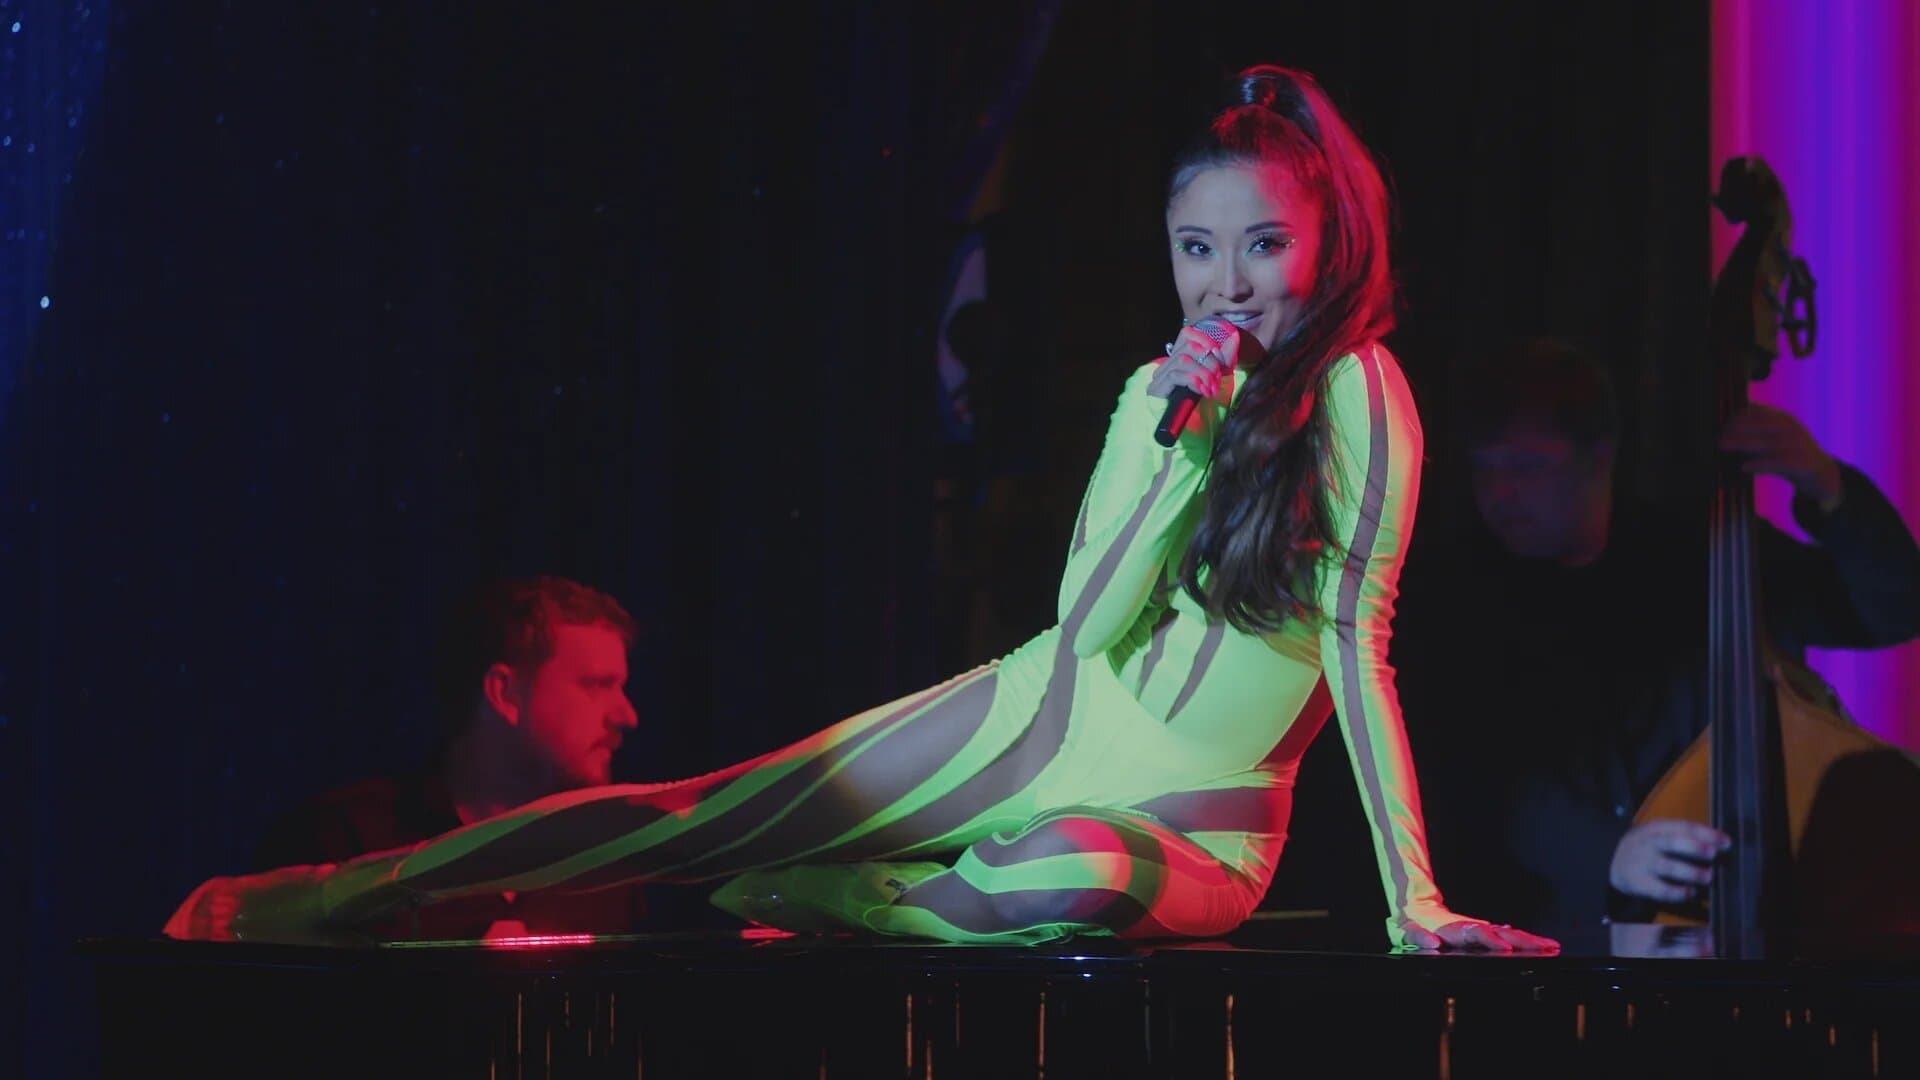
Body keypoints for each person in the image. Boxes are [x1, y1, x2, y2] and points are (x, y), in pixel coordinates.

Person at [165, 65, 1554, 954]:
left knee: (1070, 879)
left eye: (1262, 244)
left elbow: (1357, 649)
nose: (1227, 281)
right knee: (693, 817)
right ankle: (334, 895)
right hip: (1048, 713)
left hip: (1199, 825)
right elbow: (1085, 628)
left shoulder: (1362, 391)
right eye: (1198, 248)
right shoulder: (1156, 394)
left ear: (1326, 244)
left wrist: (1414, 902)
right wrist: (1178, 446)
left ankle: (860, 899)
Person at [1393, 337, 1920, 940]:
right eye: (1485, 469)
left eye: (1528, 468)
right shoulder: (1458, 594)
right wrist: (1609, 854)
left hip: (1730, 916)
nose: (1500, 494)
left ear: (1600, 456)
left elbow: (1892, 610)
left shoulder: (1701, 553)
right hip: (1553, 943)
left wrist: (1827, 488)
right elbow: (1470, 776)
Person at [250, 575, 660, 940]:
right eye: (597, 685)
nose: (627, 715)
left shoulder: (608, 872)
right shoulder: (341, 839)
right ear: (504, 693)